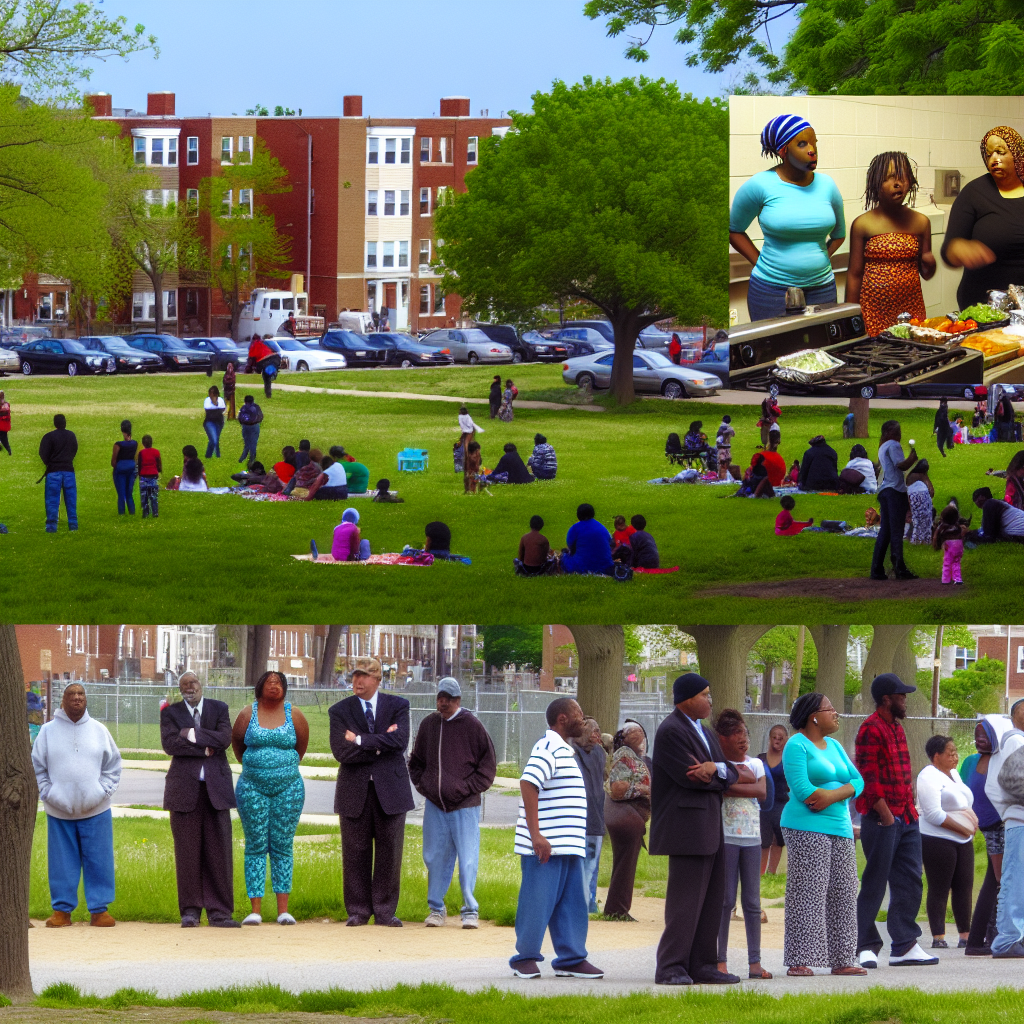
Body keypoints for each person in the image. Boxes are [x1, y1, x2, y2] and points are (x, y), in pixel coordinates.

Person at [652, 674, 750, 985]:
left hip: (710, 826)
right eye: (704, 695)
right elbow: (690, 777)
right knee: (686, 901)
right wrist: (712, 774)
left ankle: (703, 965)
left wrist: (714, 768)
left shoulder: (704, 732)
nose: (709, 700)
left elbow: (731, 773)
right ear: (686, 698)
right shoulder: (671, 730)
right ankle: (671, 967)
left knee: (712, 899)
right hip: (686, 828)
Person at [510, 696, 604, 980]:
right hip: (546, 847)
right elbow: (528, 783)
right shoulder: (548, 745)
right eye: (579, 713)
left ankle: (571, 958)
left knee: (572, 904)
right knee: (536, 902)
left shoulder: (566, 750)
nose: (584, 718)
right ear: (562, 719)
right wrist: (536, 835)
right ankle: (524, 958)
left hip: (569, 846)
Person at [780, 693, 866, 977]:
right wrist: (836, 794)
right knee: (808, 892)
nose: (836, 713)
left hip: (840, 827)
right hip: (806, 826)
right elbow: (804, 790)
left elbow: (859, 781)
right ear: (814, 716)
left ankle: (842, 959)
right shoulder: (797, 745)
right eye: (831, 709)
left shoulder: (836, 745)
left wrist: (831, 795)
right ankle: (800, 959)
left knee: (844, 892)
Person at [854, 673, 936, 967]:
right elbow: (868, 776)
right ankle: (864, 945)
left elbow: (901, 773)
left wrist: (908, 810)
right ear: (886, 699)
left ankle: (904, 945)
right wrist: (886, 816)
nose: (905, 700)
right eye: (901, 695)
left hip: (907, 816)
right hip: (882, 818)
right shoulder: (869, 729)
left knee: (911, 880)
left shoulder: (897, 729)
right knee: (875, 881)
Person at [730, 115, 846, 321]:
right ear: (783, 151)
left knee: (820, 350)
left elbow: (839, 235)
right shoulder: (760, 185)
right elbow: (734, 230)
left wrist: (820, 260)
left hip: (822, 288)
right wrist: (758, 262)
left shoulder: (828, 185)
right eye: (802, 144)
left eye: (814, 143)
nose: (812, 150)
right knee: (773, 351)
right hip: (771, 291)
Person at [330, 657, 415, 926]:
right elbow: (341, 752)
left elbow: (400, 742)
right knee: (355, 851)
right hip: (353, 790)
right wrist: (381, 745)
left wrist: (360, 740)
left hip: (391, 790)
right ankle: (357, 910)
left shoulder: (398, 706)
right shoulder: (339, 711)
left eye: (365, 676)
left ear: (378, 680)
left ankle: (385, 911)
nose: (358, 681)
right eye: (355, 675)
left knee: (390, 852)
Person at [409, 677, 496, 928]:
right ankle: (436, 908)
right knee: (434, 857)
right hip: (435, 805)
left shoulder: (472, 725)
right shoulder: (429, 724)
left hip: (465, 806)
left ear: (458, 700)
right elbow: (415, 762)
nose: (443, 702)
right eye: (440, 697)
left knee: (468, 858)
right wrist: (424, 785)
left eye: (448, 698)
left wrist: (466, 788)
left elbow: (487, 767)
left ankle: (470, 910)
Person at [31, 683, 122, 928]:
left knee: (99, 860)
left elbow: (113, 765)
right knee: (61, 862)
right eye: (72, 694)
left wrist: (103, 791)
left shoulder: (99, 730)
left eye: (81, 694)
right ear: (64, 700)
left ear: (86, 699)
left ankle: (99, 910)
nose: (77, 698)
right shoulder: (47, 732)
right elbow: (37, 767)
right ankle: (62, 911)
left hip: (96, 810)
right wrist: (48, 793)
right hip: (59, 810)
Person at [160, 671, 240, 928]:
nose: (189, 688)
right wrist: (205, 748)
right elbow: (171, 745)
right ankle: (191, 912)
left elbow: (224, 739)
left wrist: (191, 735)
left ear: (201, 685)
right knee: (187, 853)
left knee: (219, 853)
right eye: (184, 685)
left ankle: (220, 913)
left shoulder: (219, 709)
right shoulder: (170, 713)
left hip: (216, 791)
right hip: (183, 792)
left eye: (193, 683)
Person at [232, 671, 308, 926]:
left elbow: (301, 747)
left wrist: (281, 768)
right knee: (255, 845)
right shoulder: (247, 713)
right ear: (259, 686)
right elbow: (238, 747)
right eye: (269, 682)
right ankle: (255, 910)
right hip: (252, 787)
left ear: (285, 688)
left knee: (282, 845)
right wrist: (258, 768)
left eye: (278, 683)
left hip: (289, 788)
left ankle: (283, 910)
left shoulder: (294, 714)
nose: (274, 686)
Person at [844, 152, 935, 336]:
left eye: (903, 177)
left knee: (911, 354)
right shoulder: (863, 224)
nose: (897, 183)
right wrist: (850, 318)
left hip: (910, 310)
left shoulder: (921, 222)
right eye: (889, 178)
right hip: (873, 312)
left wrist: (930, 263)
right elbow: (855, 274)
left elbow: (926, 274)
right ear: (875, 184)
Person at [714, 708, 772, 981]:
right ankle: (720, 960)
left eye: (745, 732)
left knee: (751, 902)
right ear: (723, 738)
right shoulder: (717, 764)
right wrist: (736, 780)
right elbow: (721, 788)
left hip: (752, 840)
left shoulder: (757, 764)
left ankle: (755, 963)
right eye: (736, 733)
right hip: (726, 839)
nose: (743, 738)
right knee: (725, 901)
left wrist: (732, 781)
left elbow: (761, 792)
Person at [941, 126, 1024, 309]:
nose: (994, 159)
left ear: (1017, 154)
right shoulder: (974, 193)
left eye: (1000, 152)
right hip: (984, 305)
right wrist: (958, 248)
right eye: (988, 155)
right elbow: (949, 250)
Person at [918, 735, 977, 949]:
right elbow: (933, 814)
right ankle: (938, 937)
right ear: (937, 756)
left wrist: (971, 822)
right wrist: (963, 828)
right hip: (937, 839)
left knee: (964, 885)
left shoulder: (953, 774)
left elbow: (963, 801)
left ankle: (965, 935)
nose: (955, 757)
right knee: (940, 887)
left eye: (955, 752)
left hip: (964, 839)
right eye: (950, 753)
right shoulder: (928, 776)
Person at [963, 715, 1015, 956]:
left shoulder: (972, 762)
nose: (979, 740)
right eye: (977, 737)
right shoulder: (998, 759)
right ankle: (990, 936)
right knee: (1002, 882)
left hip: (988, 825)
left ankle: (978, 938)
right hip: (1002, 824)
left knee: (996, 882)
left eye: (983, 736)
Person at [984, 697, 1024, 959]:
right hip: (1020, 820)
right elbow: (1013, 780)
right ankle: (1008, 940)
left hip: (1017, 820)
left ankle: (1015, 937)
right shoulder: (1017, 740)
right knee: (1015, 881)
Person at [603, 723, 651, 920]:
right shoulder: (624, 754)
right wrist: (645, 790)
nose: (639, 732)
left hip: (631, 817)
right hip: (626, 816)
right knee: (625, 865)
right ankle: (617, 910)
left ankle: (618, 908)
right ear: (622, 737)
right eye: (632, 731)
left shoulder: (634, 756)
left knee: (626, 865)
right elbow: (617, 789)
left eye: (641, 730)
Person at [871, 420, 919, 580]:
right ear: (889, 433)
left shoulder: (882, 446)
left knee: (885, 530)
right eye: (897, 431)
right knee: (897, 531)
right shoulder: (893, 445)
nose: (900, 434)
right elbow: (902, 465)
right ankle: (899, 568)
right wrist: (913, 458)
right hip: (895, 491)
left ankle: (876, 569)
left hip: (884, 491)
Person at [572, 717, 607, 916]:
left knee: (591, 865)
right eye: (592, 731)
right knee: (578, 865)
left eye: (598, 732)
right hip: (577, 820)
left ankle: (589, 902)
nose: (596, 736)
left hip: (595, 818)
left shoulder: (599, 754)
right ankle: (577, 904)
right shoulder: (570, 753)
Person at [39, 413, 78, 532]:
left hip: (53, 472)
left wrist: (49, 463)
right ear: (65, 423)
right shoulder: (71, 435)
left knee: (52, 501)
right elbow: (74, 449)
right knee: (71, 501)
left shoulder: (49, 437)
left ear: (55, 423)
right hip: (68, 471)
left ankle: (51, 527)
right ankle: (73, 526)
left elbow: (43, 453)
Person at [759, 724, 789, 876]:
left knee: (778, 839)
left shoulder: (789, 761)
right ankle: (761, 874)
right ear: (770, 739)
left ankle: (772, 873)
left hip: (781, 805)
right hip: (763, 806)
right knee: (764, 841)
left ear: (786, 740)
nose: (777, 740)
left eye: (781, 737)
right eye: (774, 736)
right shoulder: (760, 759)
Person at [561, 504, 614, 576]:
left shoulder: (575, 528)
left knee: (563, 557)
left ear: (578, 515)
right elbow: (611, 542)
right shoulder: (601, 526)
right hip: (606, 566)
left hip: (582, 567)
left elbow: (571, 546)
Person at [932, 504, 967, 585]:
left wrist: (936, 545)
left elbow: (936, 536)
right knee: (956, 562)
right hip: (959, 546)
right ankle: (958, 579)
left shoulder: (942, 527)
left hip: (949, 546)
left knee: (947, 562)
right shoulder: (957, 526)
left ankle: (945, 579)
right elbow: (962, 535)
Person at [111, 419, 138, 516]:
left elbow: (113, 461)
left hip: (120, 470)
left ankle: (121, 513)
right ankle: (132, 512)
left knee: (121, 494)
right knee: (129, 493)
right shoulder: (135, 443)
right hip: (131, 469)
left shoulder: (118, 445)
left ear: (122, 430)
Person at [906, 459, 935, 545]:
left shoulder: (911, 475)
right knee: (922, 521)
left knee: (915, 521)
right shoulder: (921, 476)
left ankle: (914, 539)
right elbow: (932, 492)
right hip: (921, 500)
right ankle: (923, 540)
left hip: (913, 500)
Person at [247, 334, 280, 398]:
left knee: (266, 378)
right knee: (268, 374)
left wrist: (249, 369)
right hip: (275, 357)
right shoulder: (265, 342)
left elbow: (251, 358)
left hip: (263, 360)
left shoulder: (253, 345)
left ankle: (268, 394)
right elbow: (275, 349)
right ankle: (273, 373)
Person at [137, 435, 162, 519]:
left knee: (144, 496)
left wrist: (139, 474)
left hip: (144, 476)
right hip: (153, 476)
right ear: (152, 442)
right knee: (153, 496)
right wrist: (158, 471)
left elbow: (139, 464)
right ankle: (155, 512)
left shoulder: (141, 453)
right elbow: (159, 463)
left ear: (143, 444)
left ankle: (145, 513)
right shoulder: (156, 452)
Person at [237, 395, 263, 467]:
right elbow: (260, 416)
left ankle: (243, 457)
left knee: (246, 442)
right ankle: (252, 458)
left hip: (245, 426)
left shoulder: (243, 408)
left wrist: (243, 423)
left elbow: (239, 417)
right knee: (253, 442)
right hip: (254, 426)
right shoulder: (256, 407)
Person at [201, 386, 226, 459]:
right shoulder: (207, 400)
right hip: (209, 422)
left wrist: (215, 403)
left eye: (213, 395)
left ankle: (214, 455)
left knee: (216, 439)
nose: (211, 396)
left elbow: (222, 409)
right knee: (214, 439)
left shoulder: (221, 400)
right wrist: (215, 406)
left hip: (219, 422)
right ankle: (212, 455)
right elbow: (208, 411)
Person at [0, 390, 11, 454]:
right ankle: (8, 450)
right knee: (4, 438)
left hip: (1, 425)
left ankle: (8, 449)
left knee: (3, 438)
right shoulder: (7, 404)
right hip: (5, 425)